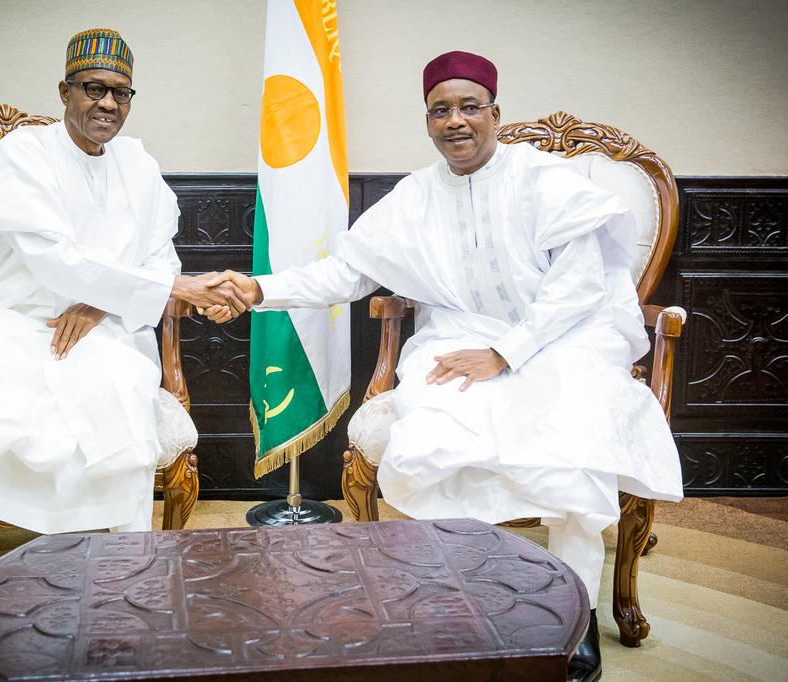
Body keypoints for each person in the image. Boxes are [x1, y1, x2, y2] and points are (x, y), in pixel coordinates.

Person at [205, 51, 683, 682]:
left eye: (469, 107)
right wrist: (260, 288)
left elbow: (578, 285)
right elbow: (348, 271)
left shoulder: (546, 179)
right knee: (434, 431)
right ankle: (466, 604)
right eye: (440, 110)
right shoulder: (415, 195)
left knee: (573, 444)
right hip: (458, 335)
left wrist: (506, 353)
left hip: (565, 336)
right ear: (427, 121)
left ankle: (575, 619)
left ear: (495, 113)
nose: (455, 121)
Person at [0, 28, 250, 682]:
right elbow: (52, 258)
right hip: (4, 320)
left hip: (99, 326)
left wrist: (103, 302)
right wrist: (159, 288)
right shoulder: (21, 154)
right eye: (94, 90)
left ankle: (126, 592)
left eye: (121, 94)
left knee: (120, 411)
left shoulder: (138, 164)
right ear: (64, 91)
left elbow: (153, 256)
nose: (108, 106)